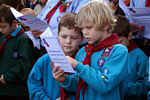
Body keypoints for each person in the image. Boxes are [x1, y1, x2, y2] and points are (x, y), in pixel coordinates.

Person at [52, 1, 128, 100]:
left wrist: (78, 66)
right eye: (82, 28)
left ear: (105, 25)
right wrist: (64, 80)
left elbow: (105, 84)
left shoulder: (118, 51)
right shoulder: (83, 51)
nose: (84, 32)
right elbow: (80, 85)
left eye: (88, 27)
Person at [27, 13, 83, 100]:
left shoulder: (84, 62)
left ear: (81, 39)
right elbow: (33, 84)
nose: (68, 41)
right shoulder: (45, 60)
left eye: (74, 38)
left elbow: (85, 88)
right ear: (57, 36)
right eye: (64, 36)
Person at [0, 5, 37, 100]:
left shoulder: (23, 39)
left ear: (14, 23)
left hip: (16, 91)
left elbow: (24, 64)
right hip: (3, 89)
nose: (1, 30)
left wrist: (7, 77)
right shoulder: (3, 37)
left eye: (4, 27)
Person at [112, 15, 150, 100]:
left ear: (129, 36)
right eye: (112, 43)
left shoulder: (140, 57)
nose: (116, 47)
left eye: (120, 42)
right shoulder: (108, 53)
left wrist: (125, 88)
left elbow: (145, 84)